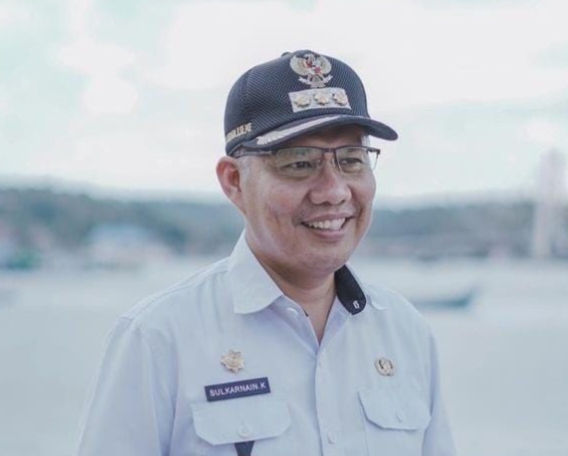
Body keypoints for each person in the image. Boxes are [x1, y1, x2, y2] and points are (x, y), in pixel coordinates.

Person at [75, 50, 456, 456]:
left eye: (351, 160)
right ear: (234, 181)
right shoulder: (158, 339)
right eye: (299, 163)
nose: (333, 191)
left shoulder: (405, 332)